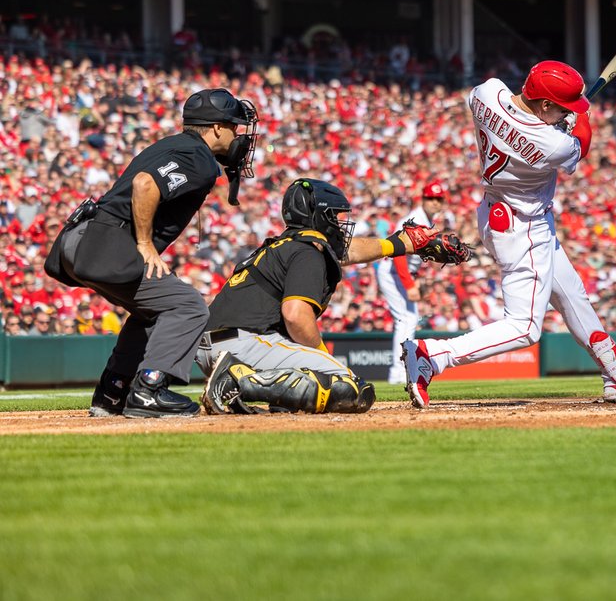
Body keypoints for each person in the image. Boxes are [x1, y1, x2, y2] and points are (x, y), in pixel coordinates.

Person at [400, 61, 616, 408]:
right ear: (545, 104)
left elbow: (503, 108)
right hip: (523, 228)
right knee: (525, 327)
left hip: (497, 211)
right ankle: (432, 355)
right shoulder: (552, 144)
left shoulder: (488, 92)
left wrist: (559, 121)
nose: (565, 113)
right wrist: (580, 120)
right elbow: (579, 146)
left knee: (573, 297)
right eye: (560, 107)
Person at [43, 88, 258, 418]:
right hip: (109, 244)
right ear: (217, 127)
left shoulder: (175, 145)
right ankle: (149, 390)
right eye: (235, 127)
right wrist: (144, 244)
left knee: (151, 311)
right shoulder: (198, 157)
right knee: (188, 306)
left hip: (84, 240)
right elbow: (145, 184)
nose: (238, 136)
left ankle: (112, 393)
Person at [199, 178, 470, 415]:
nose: (341, 224)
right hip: (243, 344)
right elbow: (295, 314)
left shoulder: (286, 244)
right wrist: (321, 356)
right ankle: (236, 382)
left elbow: (351, 250)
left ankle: (248, 385)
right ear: (319, 216)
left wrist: (400, 244)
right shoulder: (308, 251)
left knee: (314, 388)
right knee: (351, 388)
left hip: (220, 344)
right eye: (336, 216)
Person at [378, 178, 455, 384]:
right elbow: (399, 254)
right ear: (423, 199)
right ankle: (397, 373)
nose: (435, 202)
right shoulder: (414, 218)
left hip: (402, 274)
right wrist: (409, 284)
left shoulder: (427, 219)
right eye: (431, 198)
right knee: (406, 319)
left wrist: (416, 278)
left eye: (438, 198)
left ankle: (402, 369)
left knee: (409, 319)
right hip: (393, 272)